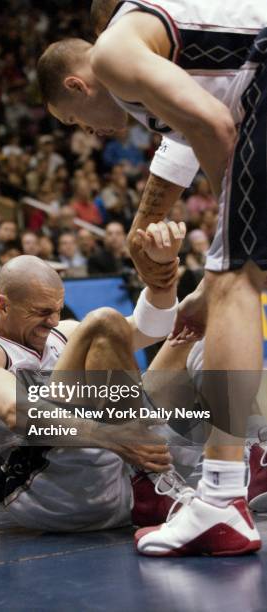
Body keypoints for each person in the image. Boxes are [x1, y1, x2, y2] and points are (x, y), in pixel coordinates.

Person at [37, 1, 267, 555]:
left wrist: (225, 247)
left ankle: (219, 499)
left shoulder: (117, 51)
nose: (86, 133)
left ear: (77, 83)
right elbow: (191, 137)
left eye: (73, 119)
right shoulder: (162, 74)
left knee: (234, 281)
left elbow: (215, 126)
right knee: (232, 279)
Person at [0, 222, 196, 532]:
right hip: (45, 490)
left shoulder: (61, 334)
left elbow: (148, 329)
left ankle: (216, 463)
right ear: (3, 305)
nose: (53, 320)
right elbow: (16, 411)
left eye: (57, 309)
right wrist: (116, 437)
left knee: (196, 313)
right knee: (102, 322)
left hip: (108, 473)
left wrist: (162, 279)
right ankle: (152, 470)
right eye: (42, 311)